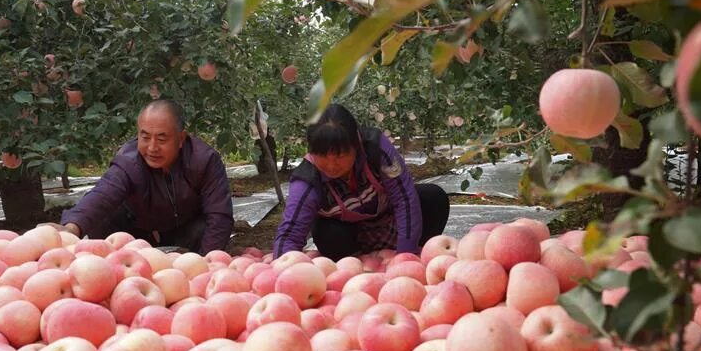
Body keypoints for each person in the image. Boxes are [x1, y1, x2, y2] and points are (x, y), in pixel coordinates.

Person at [273, 104, 449, 260]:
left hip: (390, 222)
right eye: (322, 155)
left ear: (356, 145)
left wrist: (405, 258)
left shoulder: (375, 148)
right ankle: (356, 265)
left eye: (340, 155)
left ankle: (421, 253)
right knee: (327, 232)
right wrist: (281, 273)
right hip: (351, 239)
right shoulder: (307, 179)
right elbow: (290, 234)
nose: (331, 165)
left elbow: (404, 199)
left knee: (432, 198)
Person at [60, 99, 233, 253]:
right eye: (145, 137)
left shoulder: (204, 160)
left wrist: (208, 265)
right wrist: (71, 228)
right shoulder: (129, 161)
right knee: (102, 216)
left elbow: (220, 215)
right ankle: (122, 266)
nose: (152, 148)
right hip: (139, 236)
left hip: (184, 231)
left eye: (162, 139)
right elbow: (103, 193)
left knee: (205, 228)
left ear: (181, 139)